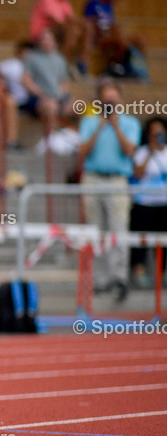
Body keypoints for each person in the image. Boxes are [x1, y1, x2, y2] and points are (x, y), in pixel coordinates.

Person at [77, 80, 141, 302]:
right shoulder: (89, 122)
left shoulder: (130, 123)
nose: (109, 105)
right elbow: (83, 151)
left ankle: (119, 278)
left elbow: (129, 151)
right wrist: (100, 126)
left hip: (117, 180)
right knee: (95, 231)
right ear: (99, 102)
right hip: (93, 178)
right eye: (106, 102)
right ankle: (100, 278)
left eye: (113, 101)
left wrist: (115, 126)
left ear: (120, 101)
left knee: (118, 229)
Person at [129, 118, 167, 288]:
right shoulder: (142, 152)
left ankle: (163, 273)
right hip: (144, 203)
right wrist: (151, 153)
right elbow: (136, 174)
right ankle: (139, 270)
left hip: (163, 203)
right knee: (141, 240)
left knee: (163, 241)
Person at [28, 0, 89, 74]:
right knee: (72, 31)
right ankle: (63, 65)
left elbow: (71, 19)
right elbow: (55, 22)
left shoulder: (65, 2)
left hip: (59, 32)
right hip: (42, 32)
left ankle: (81, 61)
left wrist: (84, 25)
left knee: (84, 28)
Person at [22, 29, 72, 139]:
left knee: (78, 107)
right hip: (38, 98)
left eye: (48, 38)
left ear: (54, 41)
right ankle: (50, 141)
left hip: (57, 97)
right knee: (51, 106)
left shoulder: (60, 59)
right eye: (43, 39)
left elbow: (64, 82)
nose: (45, 41)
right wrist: (41, 95)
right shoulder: (31, 57)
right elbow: (26, 80)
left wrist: (60, 95)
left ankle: (71, 141)